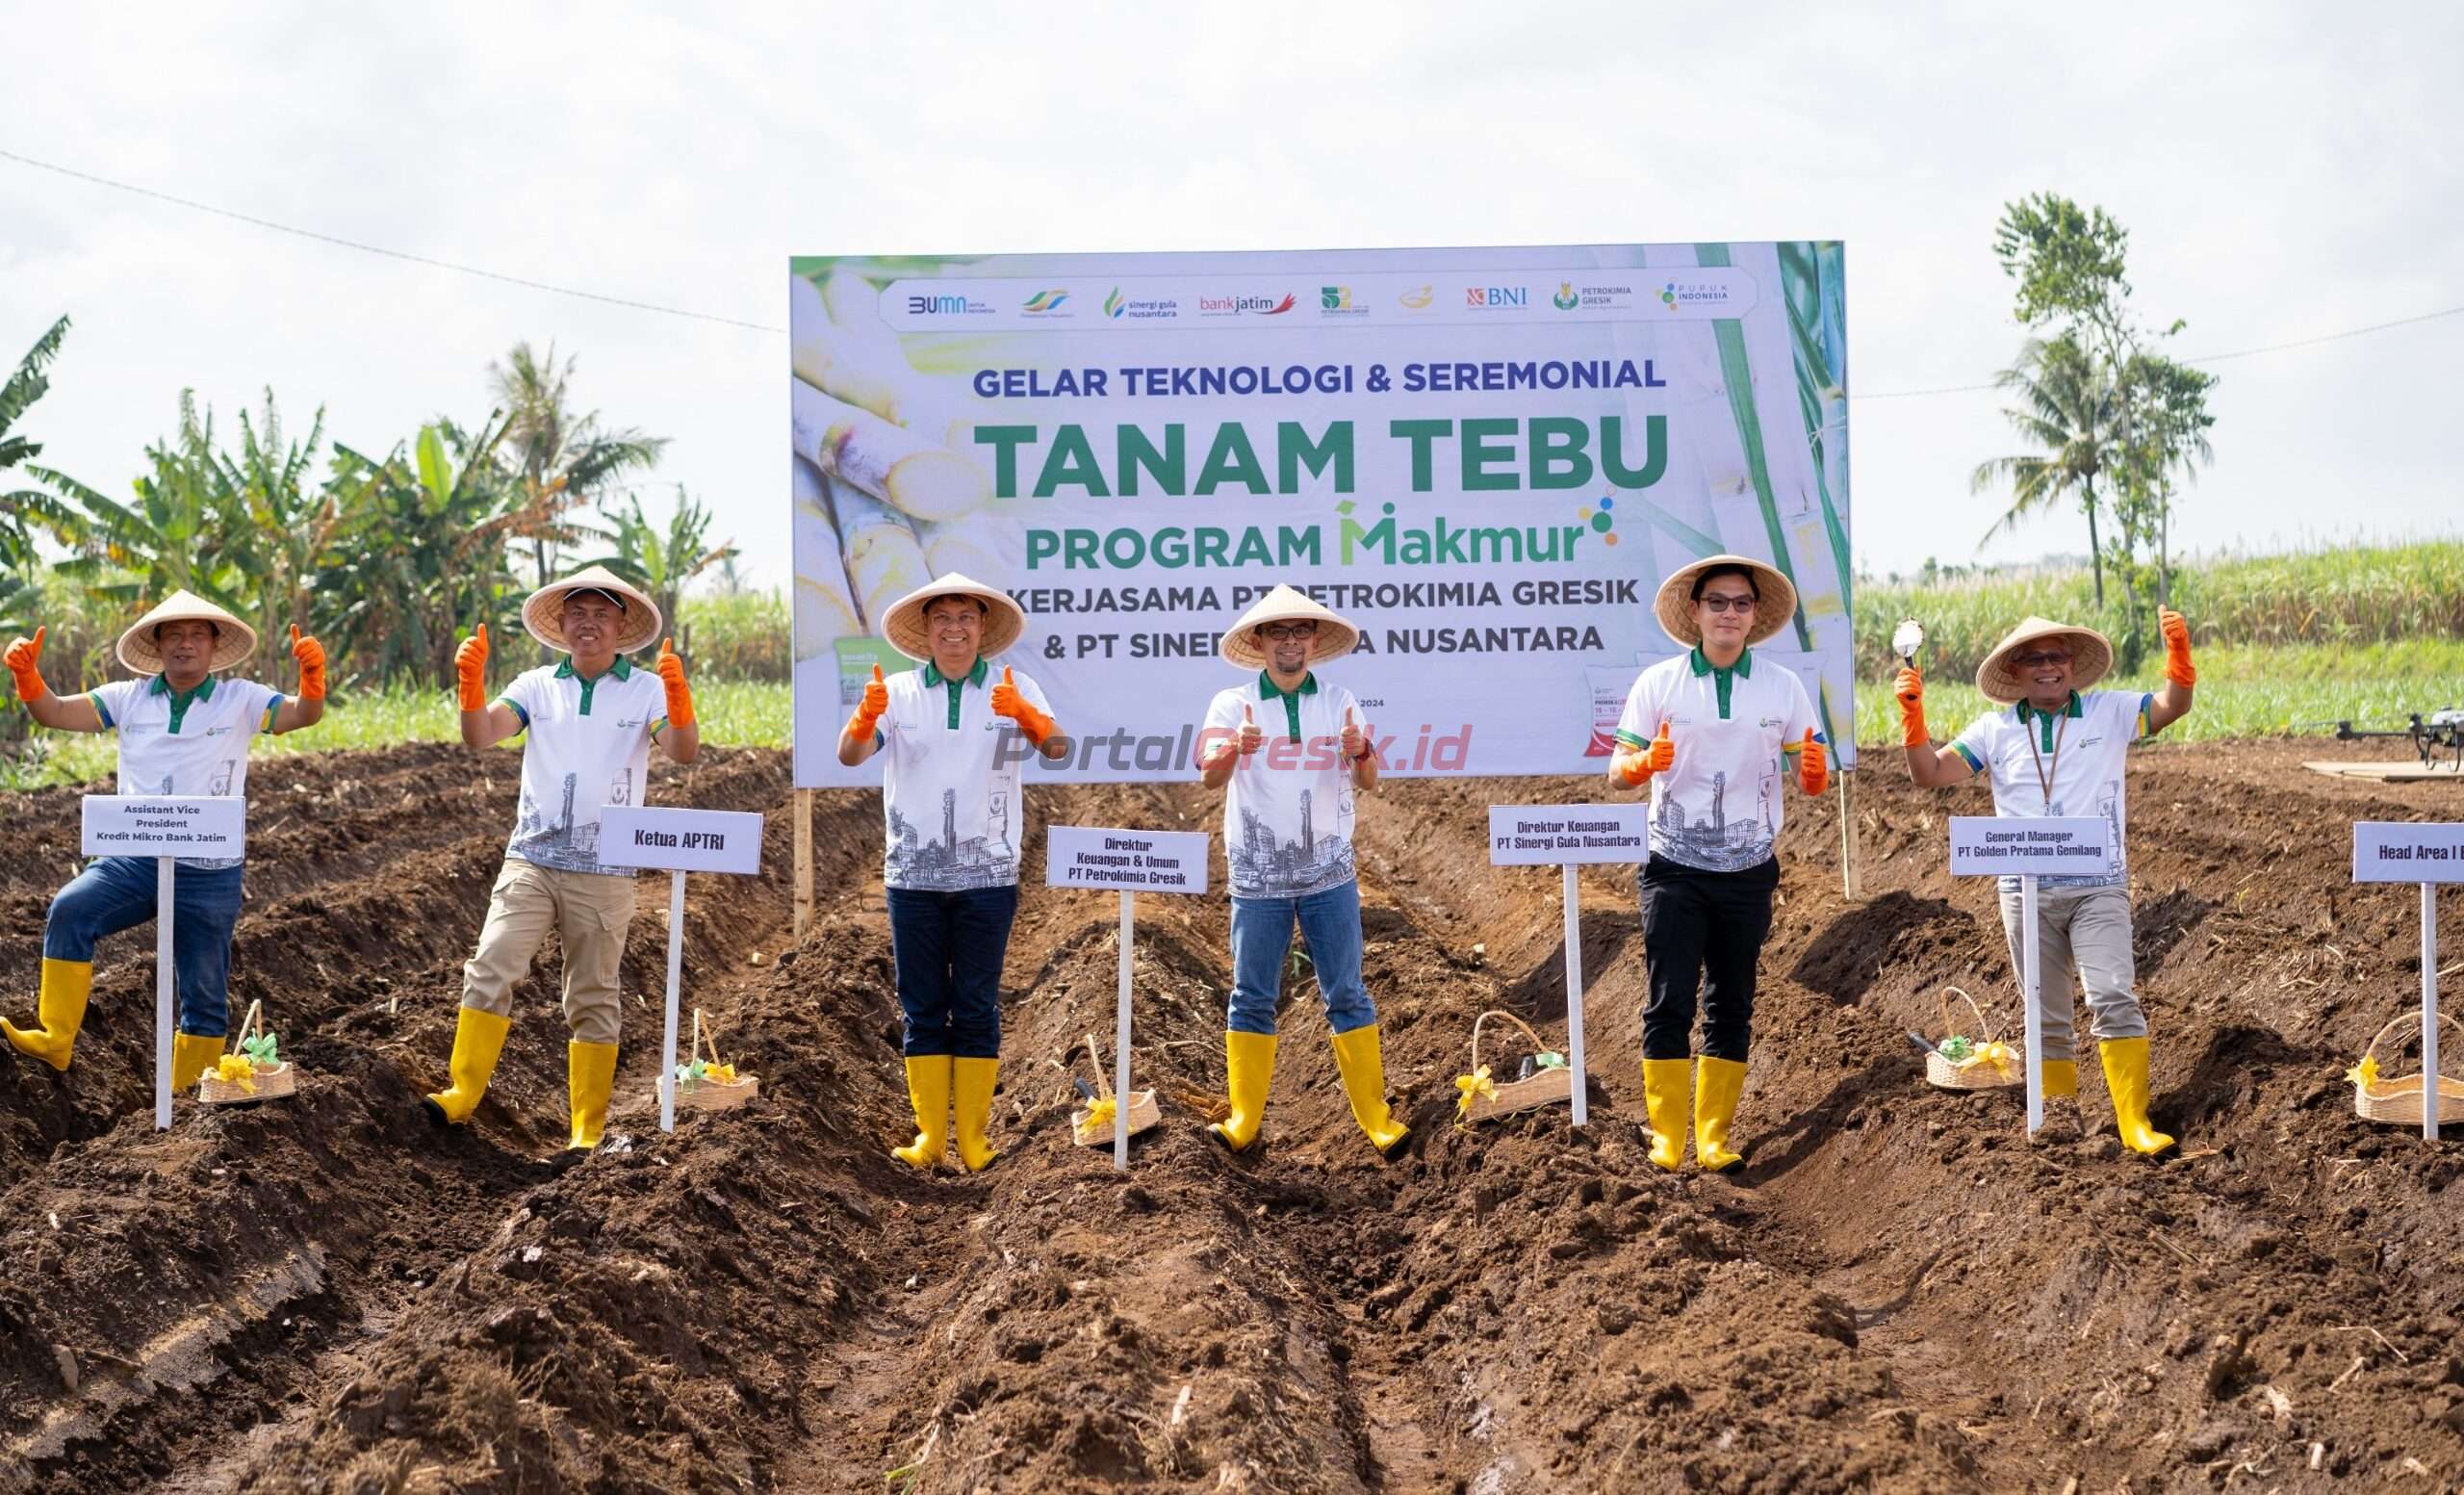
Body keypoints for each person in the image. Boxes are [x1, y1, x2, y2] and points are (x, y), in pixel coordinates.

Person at [423, 566, 700, 1152]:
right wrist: (470, 688)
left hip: (606, 867)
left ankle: (586, 1129)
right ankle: (462, 1093)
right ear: (562, 624)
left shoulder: (646, 689)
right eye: (578, 613)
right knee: (492, 963)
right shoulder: (535, 685)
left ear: (621, 626)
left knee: (593, 992)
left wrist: (679, 702)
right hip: (531, 856)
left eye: (601, 614)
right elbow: (482, 734)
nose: (588, 623)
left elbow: (682, 751)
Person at [1897, 609, 2194, 1156]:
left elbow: (2172, 707)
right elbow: (1928, 774)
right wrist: (1913, 720)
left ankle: (2134, 1122)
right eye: (2033, 658)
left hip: (2097, 883)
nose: (2047, 666)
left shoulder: (2111, 711)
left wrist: (2179, 660)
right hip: (2025, 890)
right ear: (2015, 671)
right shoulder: (1994, 730)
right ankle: (2059, 1118)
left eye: (2057, 655)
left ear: (2073, 665)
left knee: (2112, 993)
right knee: (2044, 1010)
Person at [4, 592, 326, 1083]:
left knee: (203, 989)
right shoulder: (127, 698)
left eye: (197, 634)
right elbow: (56, 713)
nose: (185, 644)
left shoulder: (241, 699)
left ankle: (189, 1096)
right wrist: (28, 677)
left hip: (208, 870)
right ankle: (55, 1038)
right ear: (157, 646)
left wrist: (312, 678)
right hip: (133, 860)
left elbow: (302, 714)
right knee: (71, 909)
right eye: (174, 634)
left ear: (214, 645)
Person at [840, 574, 1067, 1172]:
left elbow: (1058, 749)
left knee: (975, 1004)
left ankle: (973, 1139)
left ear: (983, 626)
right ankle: (930, 1139)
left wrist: (1026, 715)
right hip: (912, 878)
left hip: (988, 877)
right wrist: (864, 718)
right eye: (942, 617)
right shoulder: (897, 691)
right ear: (926, 628)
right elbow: (850, 754)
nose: (955, 629)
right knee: (920, 1007)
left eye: (966, 617)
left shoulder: (1013, 685)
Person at [1609, 556, 1828, 1173]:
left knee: (1731, 1000)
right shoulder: (1659, 682)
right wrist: (1642, 764)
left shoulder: (1783, 686)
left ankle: (1713, 1137)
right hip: (1673, 867)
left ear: (1755, 615)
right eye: (1717, 602)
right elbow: (1616, 771)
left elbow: (1807, 769)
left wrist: (1813, 775)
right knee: (1669, 999)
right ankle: (1666, 1137)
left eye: (1740, 603)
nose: (1729, 613)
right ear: (1696, 611)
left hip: (1748, 871)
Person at [1196, 584, 1408, 1158]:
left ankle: (1376, 1119)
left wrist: (1360, 751)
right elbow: (1210, 777)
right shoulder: (1231, 704)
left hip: (1329, 876)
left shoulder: (1340, 701)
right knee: (1251, 995)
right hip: (1257, 879)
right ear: (1259, 642)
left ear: (1313, 641)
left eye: (1300, 631)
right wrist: (1234, 747)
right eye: (1278, 632)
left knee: (1348, 993)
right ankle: (1243, 1120)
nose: (1289, 641)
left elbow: (1370, 781)